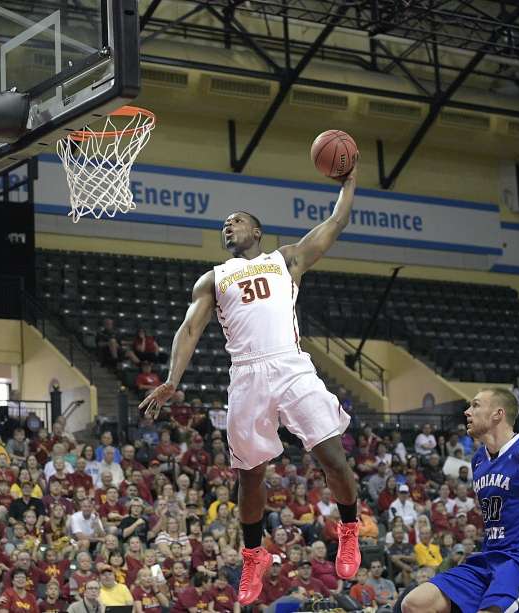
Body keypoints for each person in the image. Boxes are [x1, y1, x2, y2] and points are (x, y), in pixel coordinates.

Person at [138, 174, 361, 606]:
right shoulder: (214, 278)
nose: (228, 226)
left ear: (256, 232)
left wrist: (348, 183)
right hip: (246, 375)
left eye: (236, 221)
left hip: (290, 365)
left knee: (332, 455)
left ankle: (349, 528)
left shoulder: (286, 260)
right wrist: (172, 380)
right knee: (251, 475)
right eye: (224, 224)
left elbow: (335, 223)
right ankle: (253, 555)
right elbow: (189, 329)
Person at [401, 388, 519, 613]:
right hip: (489, 557)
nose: (467, 411)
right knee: (414, 604)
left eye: (475, 405)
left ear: (497, 414)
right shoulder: (478, 460)